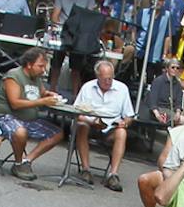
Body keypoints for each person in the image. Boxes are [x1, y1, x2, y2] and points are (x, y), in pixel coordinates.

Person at [58, 57, 135, 189]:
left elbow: (129, 115)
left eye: (110, 78)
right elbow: (76, 112)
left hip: (110, 127)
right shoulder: (88, 87)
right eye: (105, 78)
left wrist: (125, 123)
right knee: (81, 126)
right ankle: (86, 169)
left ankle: (113, 174)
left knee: (122, 133)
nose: (108, 81)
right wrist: (92, 121)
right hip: (90, 124)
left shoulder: (122, 89)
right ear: (97, 76)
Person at [0, 47, 65, 180]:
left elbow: (40, 92)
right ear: (29, 64)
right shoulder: (14, 76)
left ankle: (26, 160)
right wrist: (43, 101)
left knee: (57, 133)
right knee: (20, 132)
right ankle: (18, 164)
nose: (43, 70)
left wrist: (48, 94)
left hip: (29, 119)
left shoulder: (36, 78)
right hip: (7, 117)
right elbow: (15, 103)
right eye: (40, 66)